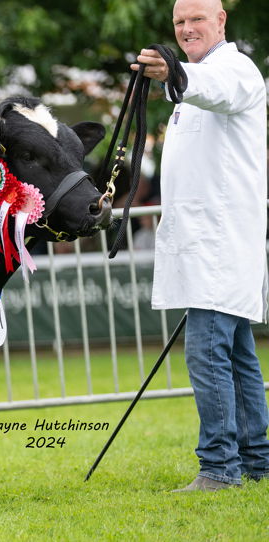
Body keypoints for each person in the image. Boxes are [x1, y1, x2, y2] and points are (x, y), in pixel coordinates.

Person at [133, 0, 269, 491]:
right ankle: (256, 460)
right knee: (236, 356)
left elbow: (216, 90)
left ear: (221, 21)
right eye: (179, 22)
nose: (187, 28)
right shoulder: (195, 80)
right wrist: (178, 74)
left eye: (196, 19)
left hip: (219, 245)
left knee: (208, 354)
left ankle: (219, 467)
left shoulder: (235, 69)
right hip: (208, 244)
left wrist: (174, 69)